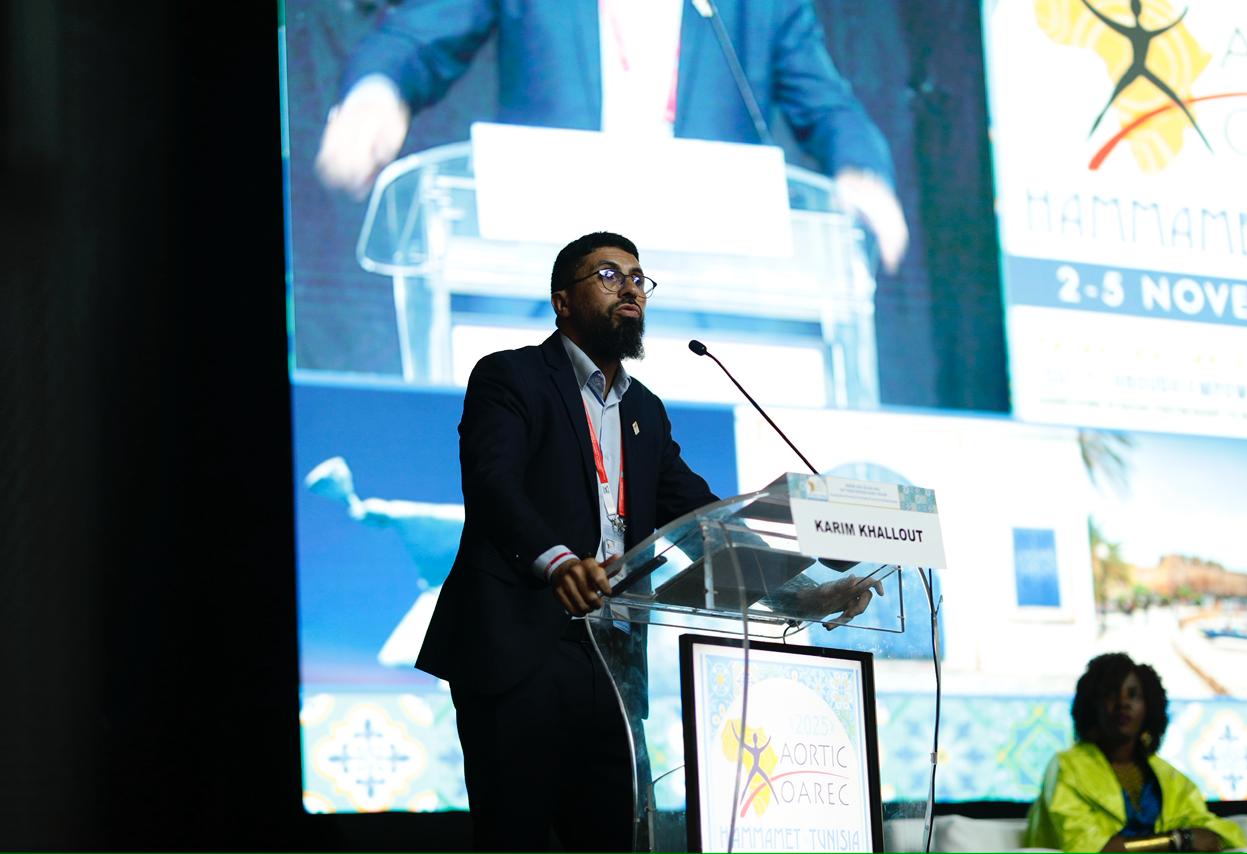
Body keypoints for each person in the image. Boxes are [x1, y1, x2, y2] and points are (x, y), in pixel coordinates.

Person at [416, 230, 881, 850]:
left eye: (638, 278)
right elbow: (492, 484)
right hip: (519, 649)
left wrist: (804, 595)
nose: (630, 288)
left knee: (617, 838)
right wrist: (560, 563)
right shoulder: (511, 376)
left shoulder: (646, 411)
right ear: (562, 300)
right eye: (608, 275)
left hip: (612, 661)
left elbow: (706, 523)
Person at [314, 0, 908, 272]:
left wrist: (861, 173)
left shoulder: (762, 6)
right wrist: (377, 94)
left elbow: (829, 107)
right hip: (540, 270)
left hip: (713, 280)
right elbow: (419, 36)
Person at [1025, 653, 1247, 852]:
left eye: (1133, 695)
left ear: (1149, 706)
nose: (1123, 703)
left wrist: (1194, 839)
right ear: (1093, 705)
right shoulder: (1067, 768)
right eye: (1111, 694)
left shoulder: (1170, 779)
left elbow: (1217, 836)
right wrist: (1176, 840)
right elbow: (1088, 848)